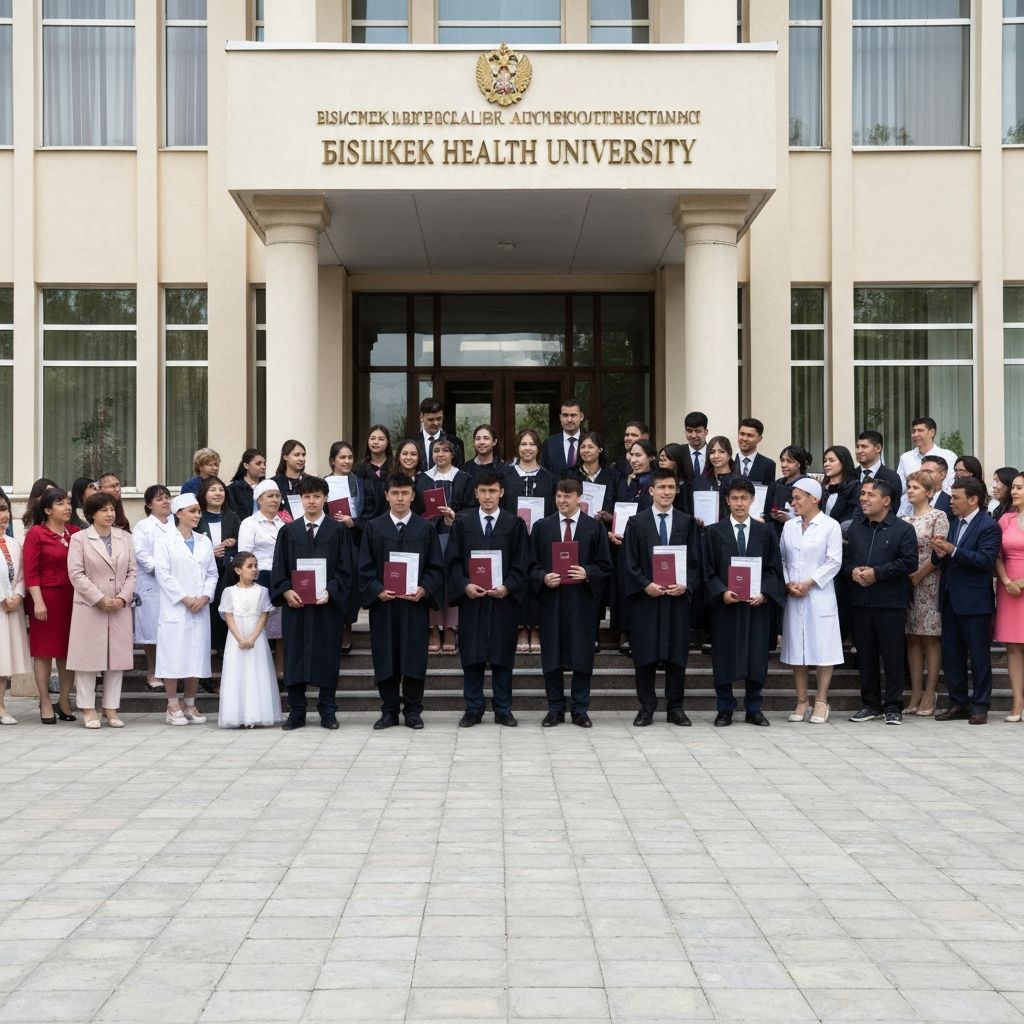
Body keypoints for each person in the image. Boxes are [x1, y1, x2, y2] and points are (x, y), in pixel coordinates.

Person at [357, 472, 445, 729]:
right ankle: (389, 710)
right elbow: (364, 567)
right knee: (386, 655)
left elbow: (435, 567)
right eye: (394, 493)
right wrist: (376, 590)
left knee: (414, 656)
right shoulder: (374, 527)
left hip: (413, 605)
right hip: (384, 606)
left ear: (413, 496)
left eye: (404, 493)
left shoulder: (424, 528)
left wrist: (424, 589)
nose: (399, 498)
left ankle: (414, 710)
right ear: (386, 496)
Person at [447, 470, 529, 727]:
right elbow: (453, 562)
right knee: (472, 656)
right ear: (475, 493)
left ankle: (503, 709)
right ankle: (473, 708)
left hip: (503, 601)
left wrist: (508, 586)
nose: (487, 496)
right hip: (472, 600)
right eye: (482, 491)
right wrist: (464, 585)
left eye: (492, 491)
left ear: (502, 493)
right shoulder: (463, 524)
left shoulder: (513, 524)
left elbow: (521, 563)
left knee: (503, 655)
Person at [271, 476, 353, 731]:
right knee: (294, 656)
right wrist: (286, 591)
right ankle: (297, 711)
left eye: (317, 496)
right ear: (300, 499)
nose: (312, 501)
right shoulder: (288, 532)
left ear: (325, 498)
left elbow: (346, 569)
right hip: (297, 608)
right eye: (307, 496)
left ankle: (328, 710)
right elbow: (278, 570)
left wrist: (331, 591)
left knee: (328, 656)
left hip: (326, 607)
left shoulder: (338, 531)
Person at [530, 477, 612, 728]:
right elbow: (530, 565)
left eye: (568, 496)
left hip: (581, 601)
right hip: (552, 600)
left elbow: (605, 565)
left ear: (579, 497)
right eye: (559, 496)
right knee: (552, 655)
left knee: (582, 655)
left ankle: (579, 709)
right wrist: (543, 577)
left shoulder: (593, 527)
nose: (562, 501)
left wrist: (588, 573)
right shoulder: (542, 527)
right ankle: (555, 708)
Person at [703, 477, 783, 727]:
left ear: (752, 500)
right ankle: (725, 708)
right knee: (724, 655)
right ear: (726, 501)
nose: (739, 503)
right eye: (734, 498)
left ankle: (753, 708)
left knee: (756, 655)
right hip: (726, 606)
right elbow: (708, 570)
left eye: (744, 498)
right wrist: (721, 592)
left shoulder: (765, 531)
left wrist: (765, 593)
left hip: (755, 605)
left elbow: (774, 568)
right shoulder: (714, 532)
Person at [623, 468, 699, 726]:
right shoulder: (637, 522)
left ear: (677, 491)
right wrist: (645, 585)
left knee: (677, 654)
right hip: (647, 599)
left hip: (676, 599)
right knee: (644, 654)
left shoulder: (686, 522)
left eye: (671, 487)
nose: (667, 492)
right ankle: (646, 707)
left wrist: (685, 584)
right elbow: (629, 563)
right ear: (651, 490)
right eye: (662, 487)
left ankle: (675, 707)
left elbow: (695, 562)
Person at [844, 479, 918, 725]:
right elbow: (843, 560)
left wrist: (877, 573)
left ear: (886, 501)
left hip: (890, 602)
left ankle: (893, 705)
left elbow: (909, 562)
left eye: (870, 495)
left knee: (893, 655)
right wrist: (853, 571)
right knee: (865, 655)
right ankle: (870, 704)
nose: (864, 498)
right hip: (861, 601)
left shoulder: (903, 529)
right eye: (862, 494)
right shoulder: (854, 528)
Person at [931, 476, 1002, 724]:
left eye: (956, 498)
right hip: (950, 598)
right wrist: (939, 552)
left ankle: (980, 706)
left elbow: (985, 561)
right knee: (952, 655)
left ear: (973, 500)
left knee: (979, 656)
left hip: (975, 601)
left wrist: (954, 551)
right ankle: (958, 702)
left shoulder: (988, 526)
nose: (951, 502)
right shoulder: (952, 522)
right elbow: (943, 558)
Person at [66, 492, 137, 729]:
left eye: (112, 509)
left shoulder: (125, 537)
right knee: (87, 660)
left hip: (119, 607)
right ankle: (87, 708)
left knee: (115, 660)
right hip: (90, 606)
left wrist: (122, 598)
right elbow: (76, 574)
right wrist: (99, 599)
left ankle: (111, 708)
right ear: (92, 514)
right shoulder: (79, 539)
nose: (109, 514)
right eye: (104, 510)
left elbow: (132, 572)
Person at [779, 478, 843, 724]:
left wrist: (810, 582)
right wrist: (788, 582)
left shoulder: (830, 525)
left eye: (798, 498)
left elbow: (834, 561)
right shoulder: (790, 527)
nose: (793, 502)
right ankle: (801, 700)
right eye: (793, 498)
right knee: (797, 650)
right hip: (794, 595)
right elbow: (783, 558)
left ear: (814, 498)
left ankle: (821, 700)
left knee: (823, 649)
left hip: (819, 594)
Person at [154, 493, 218, 726]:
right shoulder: (164, 541)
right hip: (176, 608)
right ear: (179, 513)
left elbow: (212, 573)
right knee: (173, 655)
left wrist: (204, 596)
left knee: (196, 655)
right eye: (192, 511)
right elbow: (163, 574)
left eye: (199, 511)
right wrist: (185, 598)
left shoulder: (204, 541)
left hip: (199, 607)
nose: (197, 515)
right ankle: (172, 704)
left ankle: (189, 702)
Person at [23, 487, 80, 723]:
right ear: (47, 510)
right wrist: (38, 602)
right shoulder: (36, 534)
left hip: (73, 599)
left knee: (69, 653)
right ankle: (45, 700)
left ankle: (65, 699)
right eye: (60, 503)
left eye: (67, 503)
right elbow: (30, 571)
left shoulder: (75, 533)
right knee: (44, 653)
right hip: (45, 598)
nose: (67, 507)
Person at [416, 437, 473, 654]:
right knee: (431, 577)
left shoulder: (464, 478)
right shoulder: (422, 479)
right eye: (436, 450)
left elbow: (472, 507)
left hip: (453, 534)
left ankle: (450, 627)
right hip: (429, 536)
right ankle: (432, 628)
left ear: (453, 454)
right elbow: (416, 509)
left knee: (451, 578)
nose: (440, 454)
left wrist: (454, 516)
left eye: (445, 450)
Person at [501, 428, 555, 654]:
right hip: (514, 536)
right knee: (518, 579)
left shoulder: (548, 477)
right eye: (523, 444)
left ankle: (537, 627)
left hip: (540, 537)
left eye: (532, 444)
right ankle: (521, 628)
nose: (527, 448)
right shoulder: (507, 474)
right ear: (517, 447)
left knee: (537, 580)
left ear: (538, 449)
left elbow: (553, 508)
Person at [217, 551, 282, 729]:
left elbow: (263, 616)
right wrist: (240, 638)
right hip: (236, 637)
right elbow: (228, 616)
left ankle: (257, 713)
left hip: (256, 637)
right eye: (249, 566)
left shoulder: (262, 591)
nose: (254, 570)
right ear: (238, 570)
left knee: (257, 672)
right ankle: (236, 715)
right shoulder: (229, 592)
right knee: (236, 672)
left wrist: (252, 638)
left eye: (256, 566)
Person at [901, 470, 947, 717]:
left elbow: (939, 552)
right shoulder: (904, 519)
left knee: (930, 637)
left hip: (929, 581)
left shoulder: (938, 516)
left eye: (916, 487)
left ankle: (931, 691)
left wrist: (919, 574)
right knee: (912, 637)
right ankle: (916, 692)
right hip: (906, 582)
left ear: (928, 492)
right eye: (909, 486)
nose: (910, 490)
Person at [325, 440, 375, 653]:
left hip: (354, 538)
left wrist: (353, 521)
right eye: (342, 458)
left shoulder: (362, 484)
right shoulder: (322, 483)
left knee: (351, 583)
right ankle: (332, 627)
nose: (346, 461)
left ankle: (347, 626)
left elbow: (371, 513)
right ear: (332, 461)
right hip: (328, 540)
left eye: (349, 457)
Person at [610, 439, 657, 654]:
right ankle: (625, 633)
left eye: (639, 455)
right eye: (631, 455)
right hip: (622, 545)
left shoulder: (655, 484)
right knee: (624, 587)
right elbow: (618, 511)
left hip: (646, 546)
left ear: (651, 458)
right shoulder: (625, 482)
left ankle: (641, 635)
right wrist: (612, 529)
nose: (634, 460)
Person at [237, 479, 287, 678]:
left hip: (280, 579)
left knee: (281, 629)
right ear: (259, 500)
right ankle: (260, 672)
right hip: (259, 579)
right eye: (270, 496)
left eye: (277, 495)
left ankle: (279, 670)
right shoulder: (249, 524)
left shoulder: (283, 524)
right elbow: (245, 555)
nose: (274, 500)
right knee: (259, 627)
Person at [196, 475, 241, 686]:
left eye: (221, 490)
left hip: (227, 576)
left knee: (224, 620)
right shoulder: (197, 517)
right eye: (213, 490)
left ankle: (227, 671)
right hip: (202, 578)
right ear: (204, 494)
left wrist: (233, 543)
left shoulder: (232, 517)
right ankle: (205, 675)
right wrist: (209, 552)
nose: (218, 493)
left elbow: (241, 547)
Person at [132, 485, 175, 690]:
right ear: (149, 504)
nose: (165, 501)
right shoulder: (143, 527)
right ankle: (152, 670)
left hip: (176, 585)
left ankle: (170, 672)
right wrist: (166, 567)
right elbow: (143, 557)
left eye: (167, 497)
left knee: (171, 630)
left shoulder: (178, 523)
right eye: (159, 499)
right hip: (152, 585)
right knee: (151, 632)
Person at [995, 473, 1024, 721]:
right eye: (1013, 487)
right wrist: (1006, 581)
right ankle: (1017, 701)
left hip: (1021, 584)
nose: (1014, 491)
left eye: (1020, 488)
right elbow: (997, 555)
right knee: (1013, 646)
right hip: (1008, 587)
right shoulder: (1006, 519)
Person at [0, 489, 30, 725]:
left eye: (4, 509)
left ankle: (1, 705)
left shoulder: (13, 543)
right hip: (2, 604)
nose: (3, 515)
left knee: (4, 660)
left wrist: (18, 595)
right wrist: (3, 597)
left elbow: (21, 574)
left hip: (11, 607)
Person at [896, 416, 957, 514]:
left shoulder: (948, 456)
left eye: (920, 430)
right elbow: (901, 487)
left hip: (941, 509)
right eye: (913, 431)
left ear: (932, 432)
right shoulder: (905, 458)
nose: (915, 434)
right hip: (910, 510)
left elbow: (951, 486)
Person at [692, 436, 740, 524]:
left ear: (729, 454)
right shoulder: (700, 482)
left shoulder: (739, 481)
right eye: (712, 452)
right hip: (707, 531)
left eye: (721, 451)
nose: (716, 456)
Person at [768, 445, 811, 534]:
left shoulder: (808, 485)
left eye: (789, 461)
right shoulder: (777, 484)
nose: (783, 465)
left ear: (799, 464)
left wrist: (789, 518)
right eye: (782, 460)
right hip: (776, 534)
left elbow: (813, 516)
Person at [415, 397, 465, 469]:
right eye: (431, 419)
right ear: (421, 417)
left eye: (439, 419)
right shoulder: (412, 444)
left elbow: (460, 474)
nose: (436, 423)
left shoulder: (456, 443)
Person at [540, 397, 586, 475]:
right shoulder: (549, 443)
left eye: (573, 415)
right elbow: (543, 473)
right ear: (560, 417)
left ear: (581, 417)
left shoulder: (590, 442)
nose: (569, 420)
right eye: (565, 415)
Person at [854, 430, 902, 503]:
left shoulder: (892, 478)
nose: (859, 451)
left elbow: (893, 508)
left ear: (878, 448)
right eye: (857, 447)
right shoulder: (850, 475)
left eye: (864, 446)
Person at [821, 445, 861, 524]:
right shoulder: (821, 487)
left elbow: (854, 516)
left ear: (843, 462)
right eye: (825, 461)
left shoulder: (854, 487)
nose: (826, 464)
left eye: (831, 460)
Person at [226, 448, 267, 520]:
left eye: (264, 463)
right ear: (246, 465)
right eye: (258, 464)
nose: (263, 467)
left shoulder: (267, 488)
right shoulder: (232, 490)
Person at [354, 424, 394, 496]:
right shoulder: (359, 468)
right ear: (368, 441)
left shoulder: (395, 467)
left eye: (381, 439)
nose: (376, 442)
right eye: (372, 438)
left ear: (387, 442)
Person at [733, 418, 776, 483]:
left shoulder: (768, 465)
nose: (744, 439)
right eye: (742, 434)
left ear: (760, 439)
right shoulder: (729, 462)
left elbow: (770, 491)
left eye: (750, 436)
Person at [272, 439, 307, 509]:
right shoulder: (274, 483)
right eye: (296, 455)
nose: (301, 459)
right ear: (285, 457)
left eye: (303, 455)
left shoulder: (310, 481)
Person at [920, 455, 954, 522]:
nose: (924, 475)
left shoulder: (950, 502)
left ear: (942, 475)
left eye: (929, 472)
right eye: (922, 471)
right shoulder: (912, 497)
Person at [683, 411, 710, 477]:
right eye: (689, 431)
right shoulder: (678, 453)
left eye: (698, 431)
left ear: (706, 432)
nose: (693, 436)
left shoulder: (714, 453)